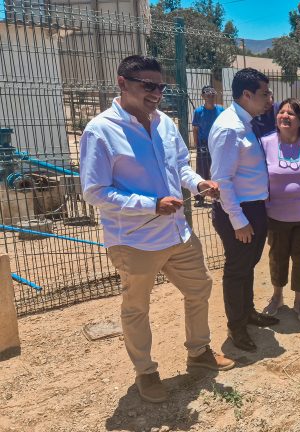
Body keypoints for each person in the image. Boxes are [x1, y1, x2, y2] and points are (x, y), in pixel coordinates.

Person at [79, 55, 234, 404]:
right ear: (122, 83)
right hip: (133, 240)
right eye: (148, 86)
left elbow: (179, 166)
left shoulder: (165, 123)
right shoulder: (101, 130)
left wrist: (199, 185)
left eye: (160, 86)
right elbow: (94, 191)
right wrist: (150, 204)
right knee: (137, 309)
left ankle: (198, 352)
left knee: (200, 289)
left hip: (176, 233)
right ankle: (146, 373)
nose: (156, 93)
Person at [209, 68, 279, 352]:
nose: (269, 99)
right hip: (238, 211)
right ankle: (236, 326)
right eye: (265, 94)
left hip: (253, 208)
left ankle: (247, 312)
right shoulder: (230, 128)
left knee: (248, 266)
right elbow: (221, 179)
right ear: (246, 95)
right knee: (237, 269)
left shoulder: (246, 122)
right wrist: (238, 220)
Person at [261, 99, 300, 322]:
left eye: (291, 113)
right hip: (276, 216)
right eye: (282, 112)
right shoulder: (265, 143)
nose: (285, 116)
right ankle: (277, 297)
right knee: (277, 258)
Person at [191, 85, 224, 206]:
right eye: (208, 95)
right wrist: (196, 144)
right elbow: (195, 128)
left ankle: (218, 195)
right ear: (203, 96)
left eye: (212, 95)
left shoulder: (221, 110)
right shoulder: (199, 111)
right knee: (202, 169)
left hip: (217, 143)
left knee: (217, 169)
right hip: (203, 144)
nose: (210, 97)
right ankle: (200, 197)